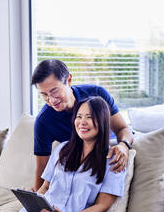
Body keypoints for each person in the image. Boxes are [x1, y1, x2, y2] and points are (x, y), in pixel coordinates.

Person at [0, 96, 126, 212]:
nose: (82, 122)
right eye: (79, 117)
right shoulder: (63, 149)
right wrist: (33, 199)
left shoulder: (112, 159)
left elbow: (102, 205)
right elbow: (46, 187)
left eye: (89, 117)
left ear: (102, 121)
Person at [31, 59, 133, 191]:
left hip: (111, 148)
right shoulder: (44, 122)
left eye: (54, 91)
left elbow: (123, 128)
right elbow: (42, 169)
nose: (51, 100)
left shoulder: (97, 94)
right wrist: (36, 198)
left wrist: (123, 145)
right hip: (85, 163)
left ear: (68, 80)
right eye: (44, 95)